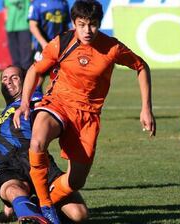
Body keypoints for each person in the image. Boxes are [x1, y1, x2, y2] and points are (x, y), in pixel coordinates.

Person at [13, 1, 156, 223]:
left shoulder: (112, 48)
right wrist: (24, 103)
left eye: (93, 25)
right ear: (74, 23)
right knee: (37, 143)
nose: (87, 31)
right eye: (82, 25)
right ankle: (46, 207)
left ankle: (41, 200)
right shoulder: (62, 42)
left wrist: (146, 108)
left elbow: (141, 66)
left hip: (87, 116)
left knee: (75, 181)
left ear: (99, 24)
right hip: (57, 104)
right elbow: (34, 70)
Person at [0, 65, 88, 223]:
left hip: (38, 159)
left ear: (26, 82)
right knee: (14, 189)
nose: (8, 81)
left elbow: (49, 110)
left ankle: (34, 205)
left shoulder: (35, 100)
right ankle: (29, 214)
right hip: (9, 166)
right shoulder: (7, 111)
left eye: (14, 77)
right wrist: (9, 209)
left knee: (80, 215)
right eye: (4, 78)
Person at [28, 0, 71, 94]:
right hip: (42, 46)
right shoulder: (37, 3)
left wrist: (68, 41)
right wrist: (44, 44)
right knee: (39, 75)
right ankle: (35, 99)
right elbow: (32, 25)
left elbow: (66, 25)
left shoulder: (63, 3)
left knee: (61, 74)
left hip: (60, 46)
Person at [3, 0, 33, 70]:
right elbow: (6, 9)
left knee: (25, 50)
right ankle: (17, 70)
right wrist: (6, 22)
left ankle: (26, 70)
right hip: (10, 26)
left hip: (24, 25)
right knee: (14, 51)